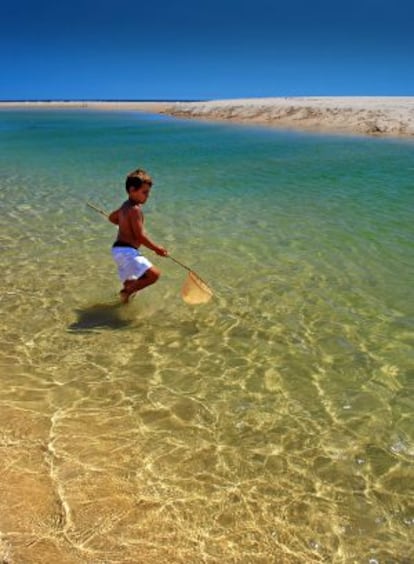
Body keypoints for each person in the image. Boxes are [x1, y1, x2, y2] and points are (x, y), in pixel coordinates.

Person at [108, 168, 168, 303]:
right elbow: (140, 236)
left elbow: (112, 218)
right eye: (144, 192)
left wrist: (123, 223)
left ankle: (121, 310)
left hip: (118, 250)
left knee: (131, 283)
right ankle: (125, 292)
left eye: (148, 192)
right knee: (154, 275)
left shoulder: (125, 206)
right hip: (127, 250)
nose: (147, 196)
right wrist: (156, 248)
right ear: (132, 190)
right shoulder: (135, 210)